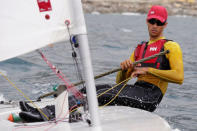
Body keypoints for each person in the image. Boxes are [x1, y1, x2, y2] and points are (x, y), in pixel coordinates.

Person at [18, 5, 184, 122]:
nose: (155, 26)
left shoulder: (170, 46)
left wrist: (148, 70)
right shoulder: (140, 48)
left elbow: (179, 77)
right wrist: (126, 70)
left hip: (150, 97)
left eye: (159, 23)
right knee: (89, 89)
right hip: (136, 89)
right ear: (147, 21)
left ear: (165, 25)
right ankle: (45, 110)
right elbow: (120, 83)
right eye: (152, 21)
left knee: (101, 94)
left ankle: (51, 115)